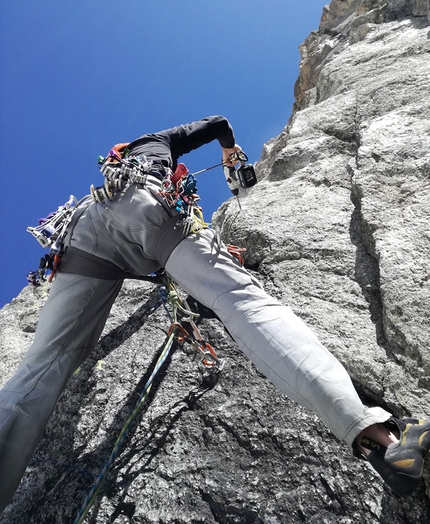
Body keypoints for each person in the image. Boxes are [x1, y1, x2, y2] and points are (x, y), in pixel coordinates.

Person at [0, 115, 429, 512]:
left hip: (82, 232)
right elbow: (218, 122)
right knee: (242, 301)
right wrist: (229, 151)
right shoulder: (156, 142)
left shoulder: (114, 168)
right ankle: (380, 438)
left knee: (41, 366)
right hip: (147, 203)